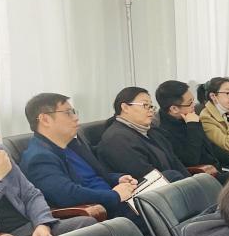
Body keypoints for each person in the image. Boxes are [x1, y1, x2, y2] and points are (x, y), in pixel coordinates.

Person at [20, 93, 139, 221]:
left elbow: (94, 176)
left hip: (120, 201)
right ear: (45, 120)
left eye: (74, 112)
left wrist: (118, 179)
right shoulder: (39, 158)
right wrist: (115, 195)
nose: (76, 118)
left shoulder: (72, 144)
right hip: (106, 213)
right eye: (68, 113)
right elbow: (67, 195)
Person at [0, 131, 97, 236]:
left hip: (30, 226)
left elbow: (31, 194)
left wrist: (42, 223)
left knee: (88, 226)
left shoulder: (0, 153)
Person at [97, 87, 190, 182]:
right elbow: (146, 176)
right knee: (172, 175)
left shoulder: (152, 131)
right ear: (125, 107)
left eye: (151, 106)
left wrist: (191, 182)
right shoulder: (117, 139)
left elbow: (175, 162)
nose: (151, 110)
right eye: (145, 105)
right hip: (149, 189)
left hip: (172, 186)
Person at [153, 80, 229, 183]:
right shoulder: (163, 131)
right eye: (190, 103)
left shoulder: (188, 117)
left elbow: (210, 146)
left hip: (216, 171)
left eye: (193, 100)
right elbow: (191, 160)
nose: (194, 105)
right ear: (174, 109)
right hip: (198, 180)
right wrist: (192, 125)